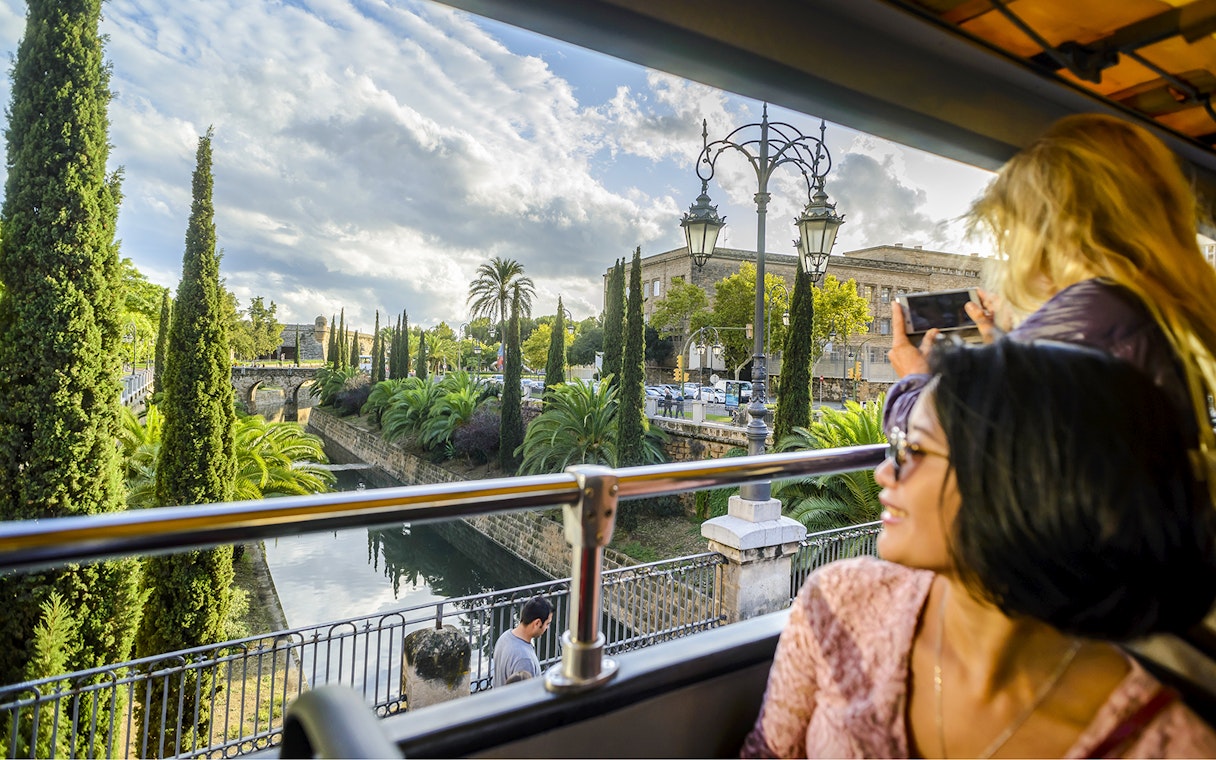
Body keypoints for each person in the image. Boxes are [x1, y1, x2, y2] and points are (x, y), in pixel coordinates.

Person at [743, 341, 1216, 758]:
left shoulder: (1164, 745)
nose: (884, 472)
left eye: (914, 450)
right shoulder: (840, 603)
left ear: (1023, 485)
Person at [884, 113, 1216, 498]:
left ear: (1045, 232)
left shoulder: (1079, 324)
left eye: (1011, 227)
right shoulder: (1156, 312)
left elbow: (959, 452)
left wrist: (913, 382)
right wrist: (1007, 349)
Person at [492, 595, 552, 688]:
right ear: (537, 623)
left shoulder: (504, 637)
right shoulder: (525, 660)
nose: (547, 628)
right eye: (547, 624)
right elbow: (526, 694)